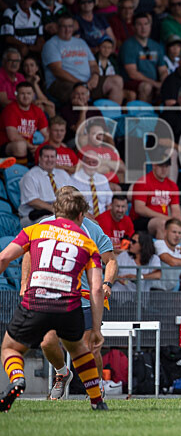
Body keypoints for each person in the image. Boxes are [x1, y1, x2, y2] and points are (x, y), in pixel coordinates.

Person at [0, 188, 108, 412]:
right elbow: (97, 288)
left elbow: (4, 257)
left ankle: (18, 378)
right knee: (79, 350)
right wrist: (96, 328)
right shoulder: (87, 243)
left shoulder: (34, 230)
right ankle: (97, 401)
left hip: (36, 302)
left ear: (55, 211)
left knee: (10, 348)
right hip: (69, 305)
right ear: (80, 216)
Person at [30, 186, 117, 401]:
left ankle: (97, 388)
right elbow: (26, 252)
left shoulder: (91, 229)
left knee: (90, 348)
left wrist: (107, 283)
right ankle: (62, 373)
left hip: (84, 298)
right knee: (47, 342)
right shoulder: (43, 225)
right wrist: (26, 283)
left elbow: (111, 260)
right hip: (52, 296)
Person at [42, 13, 123, 105]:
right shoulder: (51, 44)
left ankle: (112, 117)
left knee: (117, 81)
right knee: (80, 91)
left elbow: (93, 64)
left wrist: (95, 76)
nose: (67, 29)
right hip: (63, 83)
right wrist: (80, 83)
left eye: (70, 26)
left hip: (87, 81)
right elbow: (58, 71)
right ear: (57, 27)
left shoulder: (80, 42)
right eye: (63, 26)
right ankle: (85, 117)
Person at [129, 158, 181, 237]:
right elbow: (139, 209)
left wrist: (177, 222)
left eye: (167, 166)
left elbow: (176, 209)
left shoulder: (172, 185)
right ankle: (163, 249)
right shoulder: (143, 182)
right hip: (142, 221)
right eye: (161, 166)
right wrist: (166, 218)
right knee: (162, 224)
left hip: (165, 219)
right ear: (154, 165)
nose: (164, 170)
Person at [120, 12, 167, 104]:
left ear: (150, 26)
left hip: (153, 82)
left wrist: (164, 84)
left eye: (146, 24)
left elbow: (163, 70)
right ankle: (144, 115)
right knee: (146, 87)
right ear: (133, 27)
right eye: (139, 24)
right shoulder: (128, 45)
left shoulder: (156, 46)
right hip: (133, 83)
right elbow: (132, 74)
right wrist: (155, 84)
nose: (143, 27)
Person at [19, 145, 70, 226]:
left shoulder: (63, 174)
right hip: (34, 216)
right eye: (46, 156)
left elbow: (72, 196)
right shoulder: (30, 176)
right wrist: (54, 209)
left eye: (52, 157)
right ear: (39, 158)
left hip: (59, 213)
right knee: (55, 223)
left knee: (87, 223)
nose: (49, 160)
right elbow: (32, 201)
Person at [0, 81, 47, 160]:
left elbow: (46, 134)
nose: (26, 96)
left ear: (33, 95)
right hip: (7, 146)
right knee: (20, 145)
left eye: (29, 93)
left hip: (30, 146)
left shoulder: (37, 111)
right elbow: (13, 137)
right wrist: (32, 147)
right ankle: (21, 171)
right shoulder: (10, 109)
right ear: (16, 95)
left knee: (53, 147)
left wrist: (39, 147)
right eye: (22, 93)